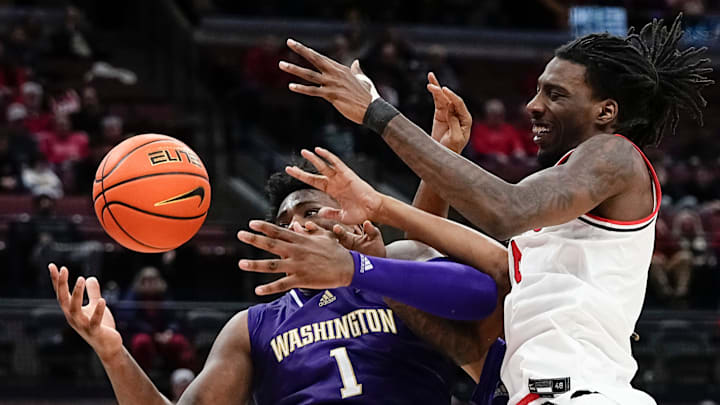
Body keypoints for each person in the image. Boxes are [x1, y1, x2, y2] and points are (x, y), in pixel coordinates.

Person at [277, 14, 712, 404]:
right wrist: (380, 208)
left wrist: (377, 114)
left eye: (555, 94)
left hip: (581, 394)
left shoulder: (614, 156)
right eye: (538, 90)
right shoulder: (557, 218)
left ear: (606, 111)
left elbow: (506, 210)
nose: (533, 105)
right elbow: (465, 301)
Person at [48, 78, 510, 404]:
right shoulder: (251, 327)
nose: (298, 226)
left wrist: (438, 160)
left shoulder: (389, 266)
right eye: (285, 221)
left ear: (347, 216)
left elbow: (464, 280)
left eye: (311, 211)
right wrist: (112, 351)